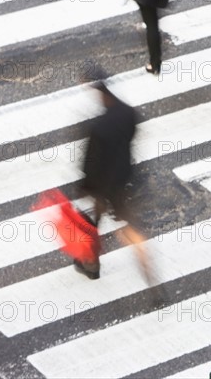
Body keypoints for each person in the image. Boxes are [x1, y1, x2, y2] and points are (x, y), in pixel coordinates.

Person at [79, 80, 151, 281]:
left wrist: (86, 187)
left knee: (95, 225)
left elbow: (91, 163)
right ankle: (150, 276)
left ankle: (92, 265)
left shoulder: (99, 128)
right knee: (130, 226)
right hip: (124, 179)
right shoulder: (128, 112)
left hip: (104, 186)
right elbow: (132, 134)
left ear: (101, 95)